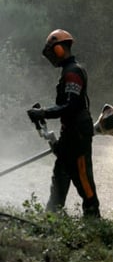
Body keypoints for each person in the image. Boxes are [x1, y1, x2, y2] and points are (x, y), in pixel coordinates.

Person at [27, 29, 100, 218]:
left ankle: (93, 217)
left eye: (52, 51)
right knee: (61, 173)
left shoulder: (73, 72)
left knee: (82, 176)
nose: (51, 56)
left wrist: (43, 112)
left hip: (78, 133)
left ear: (59, 49)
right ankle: (52, 215)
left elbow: (71, 105)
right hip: (70, 131)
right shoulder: (68, 71)